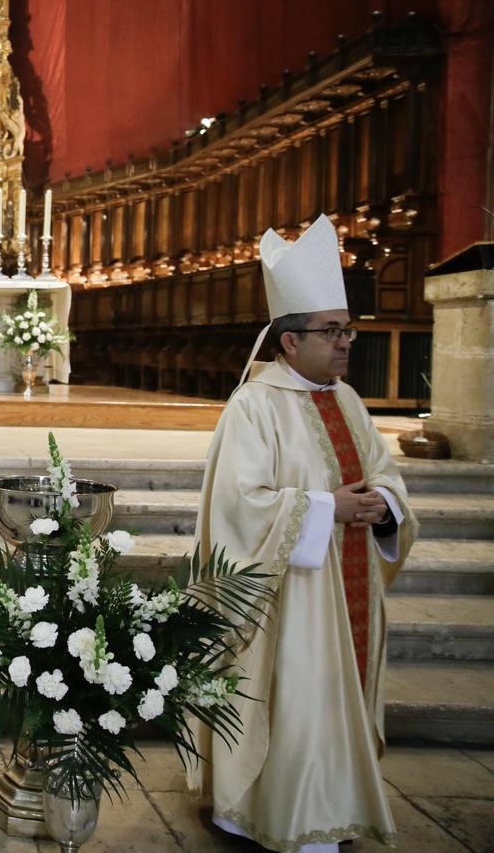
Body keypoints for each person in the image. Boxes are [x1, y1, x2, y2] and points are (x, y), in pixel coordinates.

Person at [187, 214, 419, 852]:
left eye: (348, 330)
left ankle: (334, 806)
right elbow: (239, 506)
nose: (345, 344)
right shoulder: (253, 405)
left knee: (335, 694)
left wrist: (383, 507)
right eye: (331, 331)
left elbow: (385, 475)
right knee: (295, 694)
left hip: (348, 585)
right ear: (289, 341)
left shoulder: (348, 399)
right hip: (289, 597)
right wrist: (324, 509)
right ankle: (265, 811)